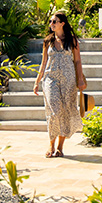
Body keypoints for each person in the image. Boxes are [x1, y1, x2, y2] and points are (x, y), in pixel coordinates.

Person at [32, 11, 87, 157]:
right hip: (50, 79)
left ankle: (60, 147)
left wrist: (80, 79)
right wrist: (37, 81)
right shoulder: (48, 41)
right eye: (51, 21)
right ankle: (51, 144)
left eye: (54, 21)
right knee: (54, 111)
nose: (51, 24)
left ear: (62, 23)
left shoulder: (72, 40)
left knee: (65, 111)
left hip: (68, 80)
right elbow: (43, 62)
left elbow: (77, 61)